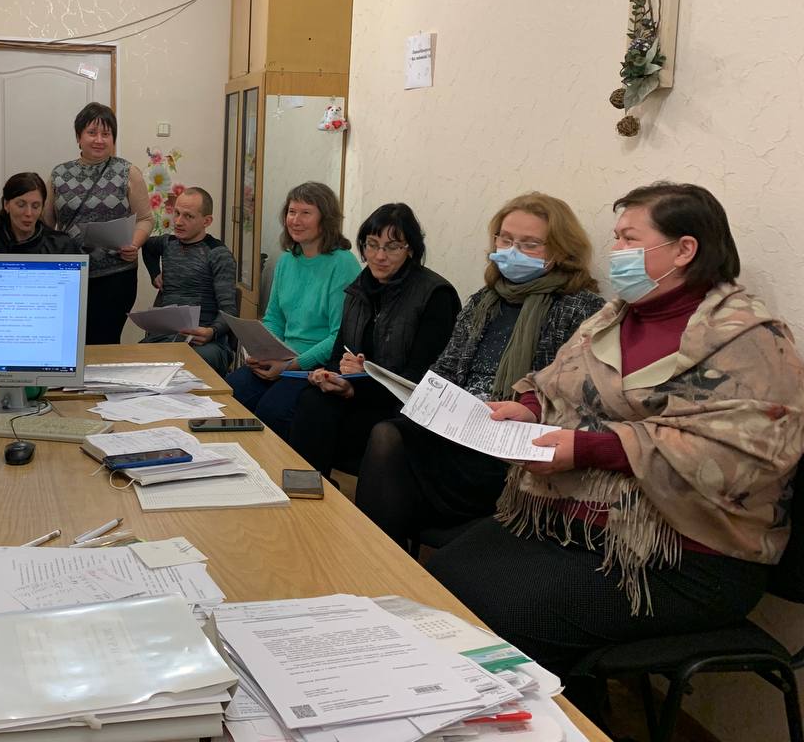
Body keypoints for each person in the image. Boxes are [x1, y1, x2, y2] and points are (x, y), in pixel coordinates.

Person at [428, 183, 804, 683]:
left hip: (687, 555)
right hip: (577, 522)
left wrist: (589, 448)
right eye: (617, 237)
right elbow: (554, 382)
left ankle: (556, 716)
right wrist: (528, 407)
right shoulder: (615, 317)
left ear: (684, 249)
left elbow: (744, 452)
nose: (616, 250)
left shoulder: (750, 337)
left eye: (629, 238)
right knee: (444, 577)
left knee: (511, 616)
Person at [355, 192, 604, 552]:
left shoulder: (581, 309)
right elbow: (445, 370)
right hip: (459, 430)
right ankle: (381, 560)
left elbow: (572, 398)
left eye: (529, 244)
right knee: (388, 435)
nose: (513, 251)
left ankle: (384, 561)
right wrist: (432, 401)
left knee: (394, 460)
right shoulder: (484, 300)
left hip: (508, 448)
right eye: (506, 239)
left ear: (560, 250)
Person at [286, 203, 459, 478]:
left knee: (326, 416)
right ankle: (308, 489)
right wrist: (329, 376)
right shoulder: (359, 288)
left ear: (410, 249)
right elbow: (338, 354)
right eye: (372, 245)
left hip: (400, 406)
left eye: (392, 247)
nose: (379, 256)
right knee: (311, 400)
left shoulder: (434, 295)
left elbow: (421, 379)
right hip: (359, 394)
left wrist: (361, 382)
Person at [224, 182, 361, 434]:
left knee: (272, 410)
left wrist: (292, 365)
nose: (295, 220)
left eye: (305, 213)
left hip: (316, 367)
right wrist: (260, 351)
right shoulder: (287, 260)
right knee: (229, 391)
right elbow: (274, 318)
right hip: (282, 359)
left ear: (325, 219)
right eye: (291, 212)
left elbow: (339, 336)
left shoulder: (343, 264)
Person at [43, 103, 152, 345]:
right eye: (92, 132)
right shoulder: (59, 174)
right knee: (68, 342)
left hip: (116, 275)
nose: (99, 140)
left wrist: (134, 245)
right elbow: (46, 225)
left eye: (106, 133)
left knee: (105, 342)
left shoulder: (127, 172)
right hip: (69, 275)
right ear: (78, 137)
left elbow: (145, 219)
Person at [141, 186, 238, 374]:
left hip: (204, 341)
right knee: (131, 358)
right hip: (164, 336)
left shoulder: (218, 254)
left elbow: (229, 311)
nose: (178, 222)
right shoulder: (168, 243)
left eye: (188, 216)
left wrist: (212, 332)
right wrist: (155, 274)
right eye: (177, 213)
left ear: (206, 221)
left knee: (182, 365)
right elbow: (147, 247)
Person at [0, 171, 80, 255]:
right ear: (6, 204)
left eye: (35, 206)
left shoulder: (61, 246)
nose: (28, 213)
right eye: (21, 205)